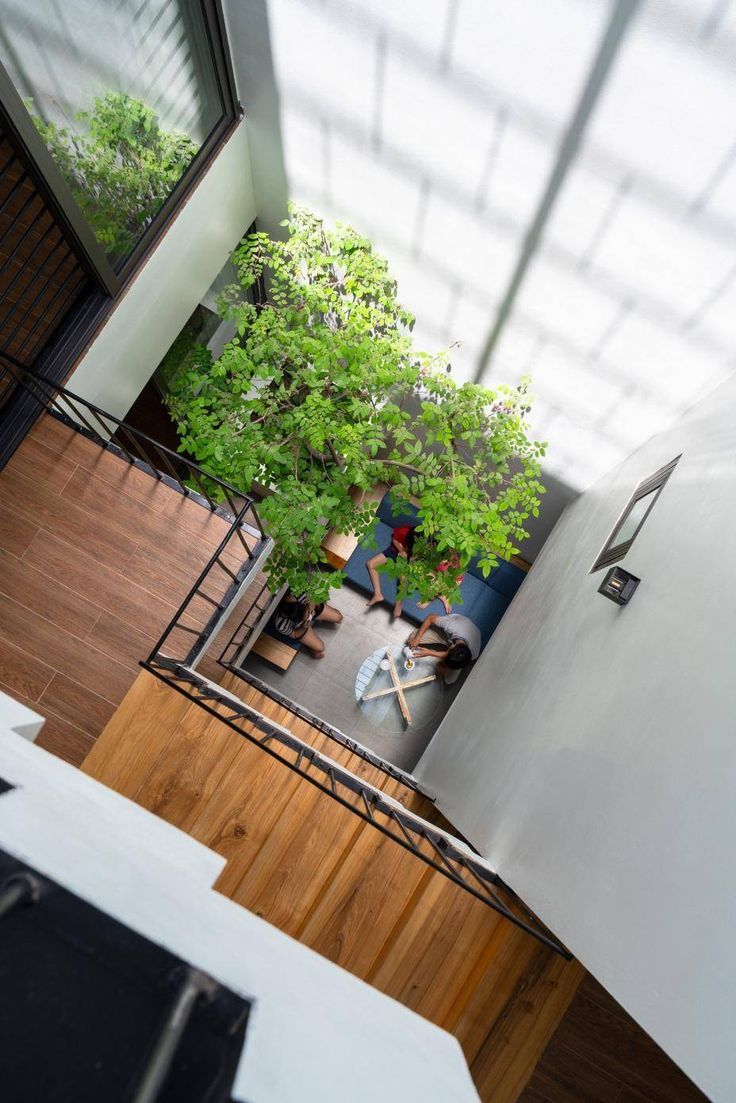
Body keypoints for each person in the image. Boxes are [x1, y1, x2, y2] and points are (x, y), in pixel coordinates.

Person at [407, 611, 481, 684]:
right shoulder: (450, 626)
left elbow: (451, 654)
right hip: (452, 629)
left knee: (450, 680)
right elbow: (430, 617)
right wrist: (417, 638)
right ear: (451, 646)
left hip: (465, 638)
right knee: (412, 638)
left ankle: (447, 663)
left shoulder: (472, 654)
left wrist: (430, 653)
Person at [272, 590, 343, 658]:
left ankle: (322, 616)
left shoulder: (299, 594)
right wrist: (304, 627)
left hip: (310, 609)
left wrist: (310, 609)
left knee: (339, 618)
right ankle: (310, 648)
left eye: (305, 611)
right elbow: (294, 634)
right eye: (303, 617)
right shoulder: (281, 625)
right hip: (299, 626)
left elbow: (313, 597)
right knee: (320, 648)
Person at [366, 524, 416, 619]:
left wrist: (410, 561)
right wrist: (401, 550)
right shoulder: (404, 530)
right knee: (370, 564)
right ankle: (378, 594)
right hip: (394, 551)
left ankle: (398, 604)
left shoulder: (425, 545)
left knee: (403, 579)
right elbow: (395, 539)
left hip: (408, 560)